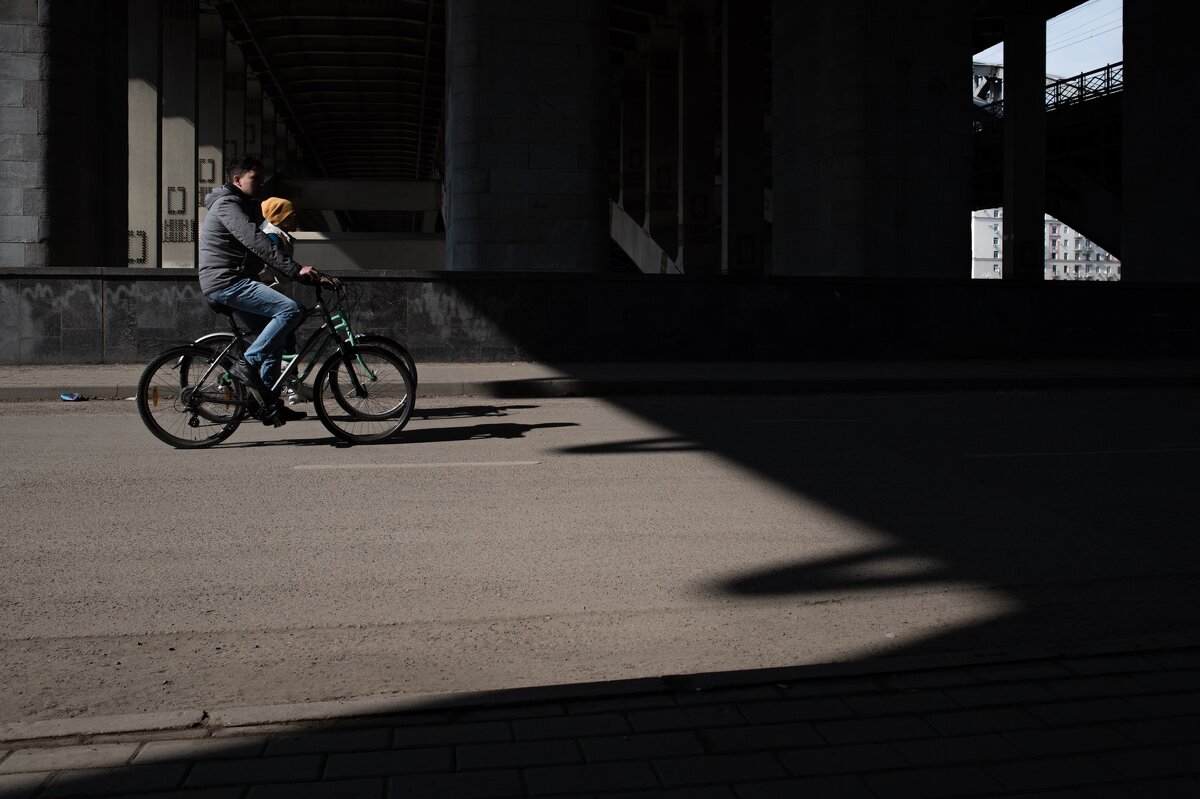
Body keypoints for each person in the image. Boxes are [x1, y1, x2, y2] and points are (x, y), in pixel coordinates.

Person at [198, 156, 336, 426]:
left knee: (273, 340)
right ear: (237, 180)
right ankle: (246, 364)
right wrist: (295, 270)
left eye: (262, 179)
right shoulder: (228, 205)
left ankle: (267, 402)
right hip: (226, 280)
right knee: (290, 309)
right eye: (255, 179)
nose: (261, 184)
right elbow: (255, 240)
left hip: (234, 278)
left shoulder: (242, 204)